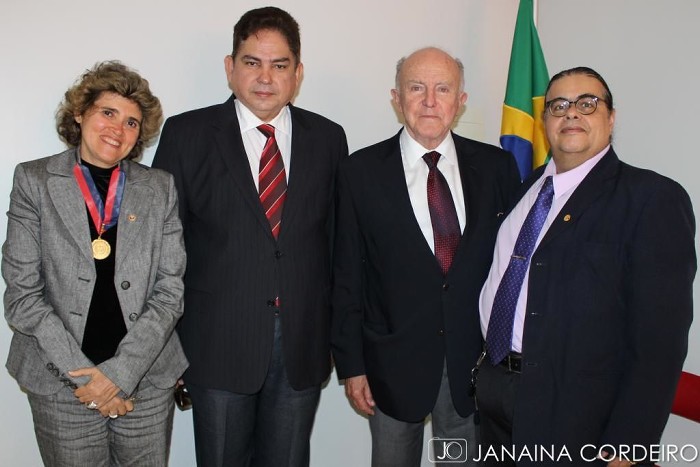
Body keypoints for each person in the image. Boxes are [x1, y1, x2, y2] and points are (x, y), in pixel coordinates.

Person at [151, 6, 348, 467]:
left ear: (297, 74)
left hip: (302, 343)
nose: (265, 77)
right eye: (252, 62)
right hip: (215, 344)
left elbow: (338, 246)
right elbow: (160, 249)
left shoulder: (328, 138)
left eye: (279, 65)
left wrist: (339, 337)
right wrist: (166, 347)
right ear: (230, 67)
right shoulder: (186, 134)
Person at [477, 67, 696, 466]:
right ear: (544, 122)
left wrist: (629, 445)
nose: (572, 113)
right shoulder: (527, 189)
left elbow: (660, 342)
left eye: (587, 103)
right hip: (496, 396)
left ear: (611, 118)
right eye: (559, 105)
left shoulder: (651, 198)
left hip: (579, 416)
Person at [331, 47, 521, 466]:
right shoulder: (359, 172)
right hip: (389, 367)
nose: (430, 101)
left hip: (472, 367)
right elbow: (346, 276)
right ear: (397, 98)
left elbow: (512, 269)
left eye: (443, 89)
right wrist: (352, 366)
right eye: (416, 88)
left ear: (461, 100)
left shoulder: (497, 168)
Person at [2, 61, 188, 466]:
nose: (117, 129)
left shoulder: (159, 188)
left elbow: (170, 291)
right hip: (61, 384)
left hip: (145, 381)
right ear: (80, 113)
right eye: (108, 112)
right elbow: (22, 297)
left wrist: (120, 375)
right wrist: (91, 381)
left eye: (131, 122)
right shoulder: (34, 181)